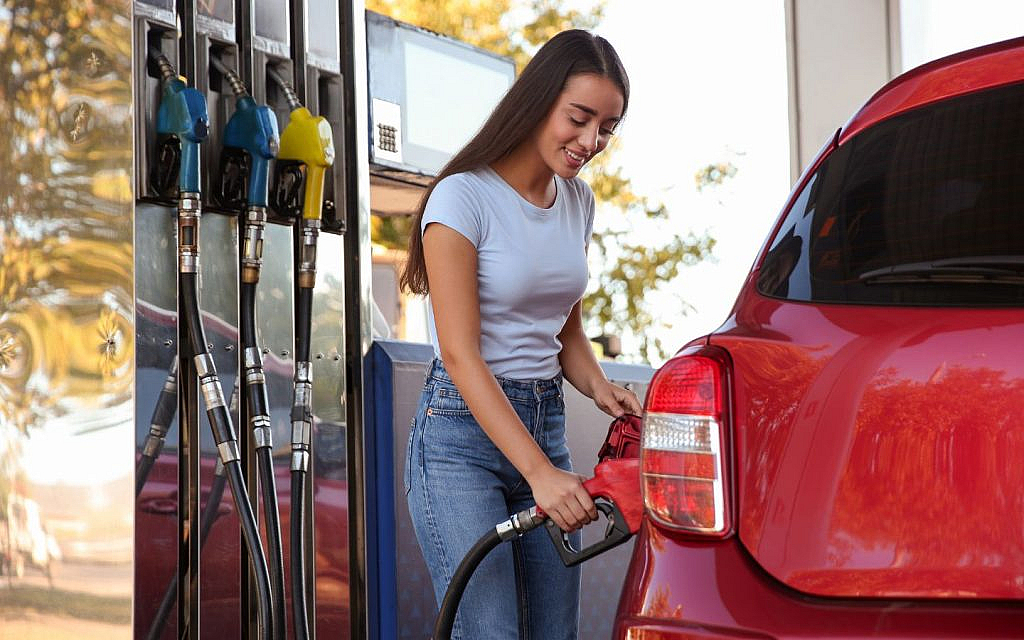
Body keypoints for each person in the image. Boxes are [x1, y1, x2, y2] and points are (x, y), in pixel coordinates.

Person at [400, 29, 642, 639]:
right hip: (461, 441)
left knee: (552, 631)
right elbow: (459, 354)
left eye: (606, 128)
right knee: (491, 633)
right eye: (579, 118)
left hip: (544, 425)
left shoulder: (577, 202)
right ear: (538, 101)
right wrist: (539, 474)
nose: (591, 141)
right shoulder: (462, 198)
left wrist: (598, 387)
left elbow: (564, 329)